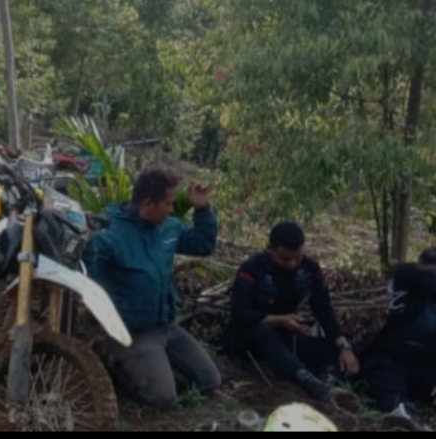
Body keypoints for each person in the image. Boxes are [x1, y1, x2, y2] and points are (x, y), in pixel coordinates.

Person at [83, 166, 221, 410]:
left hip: (166, 325)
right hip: (131, 332)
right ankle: (113, 358)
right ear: (148, 203)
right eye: (167, 204)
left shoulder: (168, 227)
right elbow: (88, 277)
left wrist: (202, 208)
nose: (172, 209)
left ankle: (155, 366)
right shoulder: (110, 236)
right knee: (161, 398)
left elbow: (202, 245)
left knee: (210, 381)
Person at [222, 222, 361, 408]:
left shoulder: (309, 269)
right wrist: (279, 320)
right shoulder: (252, 269)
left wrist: (344, 346)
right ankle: (308, 382)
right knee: (264, 333)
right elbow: (240, 313)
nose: (292, 264)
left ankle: (329, 381)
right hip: (248, 337)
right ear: (270, 249)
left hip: (285, 338)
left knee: (338, 348)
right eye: (285, 259)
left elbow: (323, 310)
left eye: (297, 257)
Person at [355, 248, 436, 431]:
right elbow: (402, 272)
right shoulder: (408, 283)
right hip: (394, 359)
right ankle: (405, 415)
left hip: (428, 368)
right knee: (381, 373)